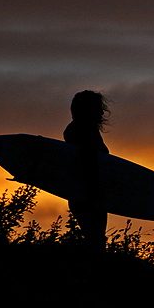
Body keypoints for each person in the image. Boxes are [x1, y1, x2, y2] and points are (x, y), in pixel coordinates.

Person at [64, 90, 110, 246]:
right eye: (98, 107)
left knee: (95, 237)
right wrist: (94, 194)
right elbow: (88, 163)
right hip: (89, 193)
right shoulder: (83, 131)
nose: (102, 111)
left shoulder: (81, 130)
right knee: (95, 239)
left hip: (87, 192)